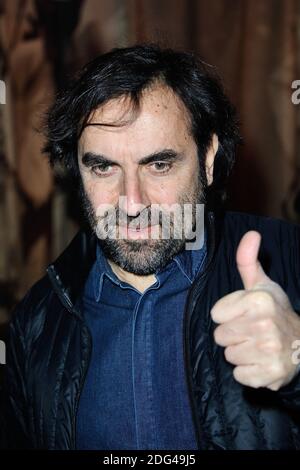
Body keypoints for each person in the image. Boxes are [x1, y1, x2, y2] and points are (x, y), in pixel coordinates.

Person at [1, 44, 300, 451]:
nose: (133, 202)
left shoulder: (290, 260)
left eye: (159, 165)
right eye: (103, 167)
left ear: (208, 158)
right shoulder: (35, 324)